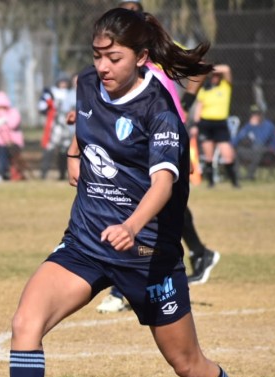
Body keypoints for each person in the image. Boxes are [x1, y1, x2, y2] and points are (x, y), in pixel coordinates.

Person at [0, 8, 264, 377]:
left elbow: (165, 181)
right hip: (86, 242)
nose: (103, 67)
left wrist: (131, 225)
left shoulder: (159, 109)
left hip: (148, 255)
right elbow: (82, 124)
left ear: (142, 58)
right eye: (98, 56)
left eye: (114, 58)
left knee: (187, 363)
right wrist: (72, 152)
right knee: (26, 321)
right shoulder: (88, 84)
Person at [96, 0, 219, 314]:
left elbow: (201, 69)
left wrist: (187, 105)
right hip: (139, 135)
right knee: (154, 203)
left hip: (163, 134)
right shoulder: (116, 62)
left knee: (150, 201)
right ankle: (199, 253)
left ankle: (121, 287)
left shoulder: (150, 54)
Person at [190, 64, 239, 188]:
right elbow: (199, 108)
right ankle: (211, 183)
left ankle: (234, 182)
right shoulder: (204, 90)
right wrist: (196, 124)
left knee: (227, 155)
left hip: (220, 124)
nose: (214, 77)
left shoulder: (225, 87)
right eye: (213, 75)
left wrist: (209, 68)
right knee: (209, 156)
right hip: (206, 123)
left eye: (217, 75)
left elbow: (227, 69)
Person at [38, 77, 76, 181]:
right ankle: (43, 172)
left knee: (65, 150)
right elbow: (42, 107)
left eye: (65, 83)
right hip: (57, 125)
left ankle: (63, 174)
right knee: (49, 148)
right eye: (61, 82)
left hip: (68, 126)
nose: (63, 84)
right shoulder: (52, 93)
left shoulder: (72, 93)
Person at [232, 104, 275, 181]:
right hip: (253, 151)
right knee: (236, 151)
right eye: (253, 114)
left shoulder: (268, 125)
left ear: (261, 115)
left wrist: (253, 126)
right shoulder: (248, 125)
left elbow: (262, 140)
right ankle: (237, 176)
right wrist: (230, 146)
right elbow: (238, 138)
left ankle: (249, 176)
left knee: (258, 148)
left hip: (269, 153)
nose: (255, 116)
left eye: (257, 114)